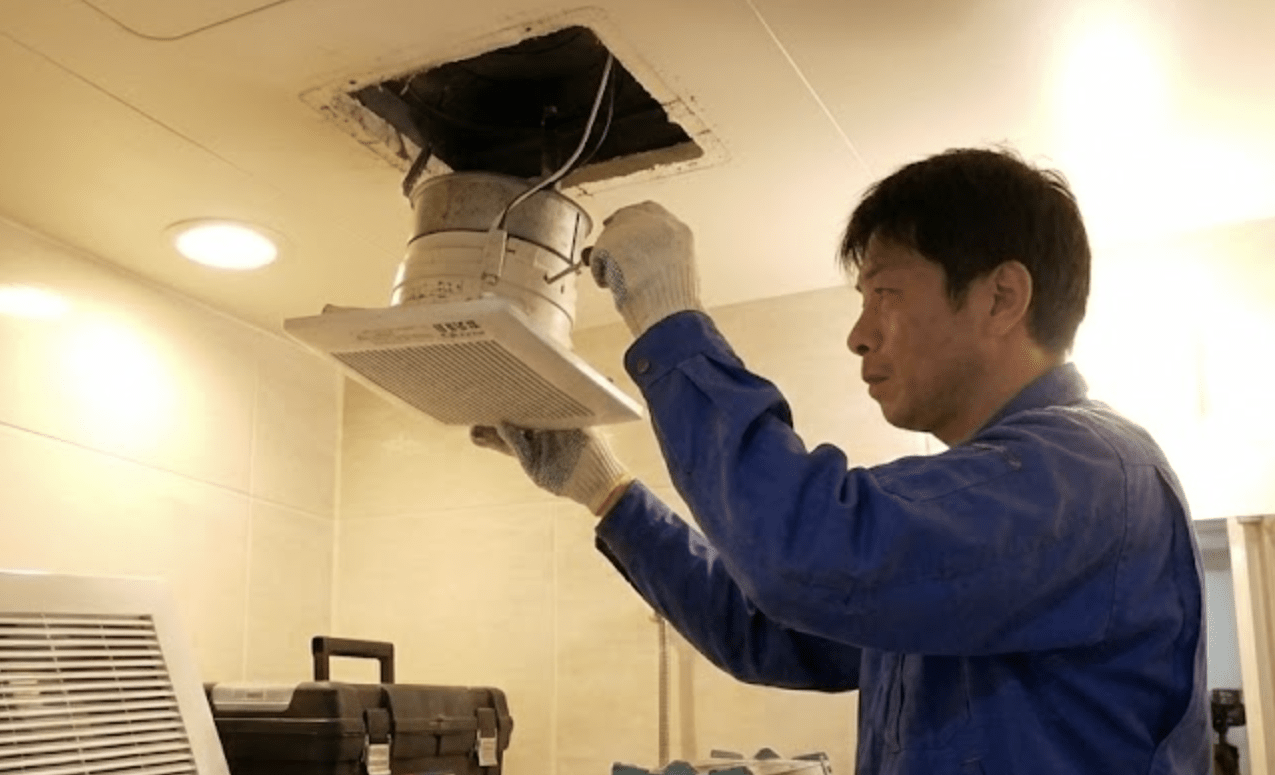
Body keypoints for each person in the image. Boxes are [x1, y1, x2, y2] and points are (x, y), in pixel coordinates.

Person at [472, 147, 1208, 774]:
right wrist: (603, 488)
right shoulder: (987, 527)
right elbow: (762, 628)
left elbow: (806, 555)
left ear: (1001, 298)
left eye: (885, 293)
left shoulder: (1095, 473)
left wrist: (670, 320)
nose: (859, 334)